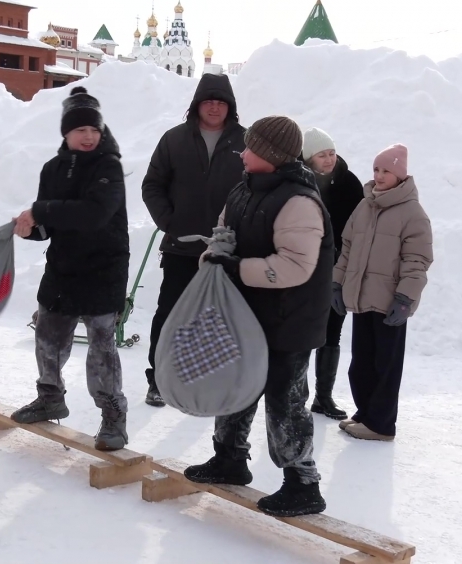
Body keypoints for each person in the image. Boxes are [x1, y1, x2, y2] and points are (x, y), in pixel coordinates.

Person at [183, 115, 333, 518]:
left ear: (269, 154)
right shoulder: (244, 189)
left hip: (289, 320)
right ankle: (230, 459)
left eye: (250, 147)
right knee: (236, 386)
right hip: (246, 312)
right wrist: (214, 256)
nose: (242, 152)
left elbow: (296, 267)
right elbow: (223, 234)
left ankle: (303, 483)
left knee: (285, 400)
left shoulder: (299, 201)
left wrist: (235, 269)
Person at [9, 86, 131, 452]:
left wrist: (42, 212)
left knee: (101, 348)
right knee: (47, 337)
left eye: (94, 129)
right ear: (66, 132)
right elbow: (52, 225)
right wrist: (32, 229)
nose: (89, 136)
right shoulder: (53, 169)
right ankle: (50, 397)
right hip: (63, 269)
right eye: (81, 130)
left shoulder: (109, 166)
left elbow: (94, 214)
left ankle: (113, 418)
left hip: (103, 270)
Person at [141, 73, 246, 406]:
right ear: (197, 105)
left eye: (221, 102)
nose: (214, 108)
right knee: (170, 312)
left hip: (226, 249)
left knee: (220, 316)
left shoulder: (246, 142)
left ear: (230, 107)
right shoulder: (174, 139)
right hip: (181, 246)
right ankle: (158, 378)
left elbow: (257, 188)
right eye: (208, 101)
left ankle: (209, 379)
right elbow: (152, 185)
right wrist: (170, 221)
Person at [332, 144, 433, 442]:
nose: (378, 175)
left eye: (386, 170)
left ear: (400, 175)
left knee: (385, 365)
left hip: (390, 301)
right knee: (361, 362)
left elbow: (417, 260)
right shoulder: (366, 206)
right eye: (376, 169)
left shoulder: (412, 213)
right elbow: (347, 248)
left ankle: (382, 424)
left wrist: (405, 299)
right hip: (363, 298)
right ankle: (366, 413)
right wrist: (337, 284)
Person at [301, 128, 364, 420]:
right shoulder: (299, 181)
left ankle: (323, 397)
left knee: (332, 332)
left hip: (337, 268)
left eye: (331, 153)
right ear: (308, 158)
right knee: (300, 333)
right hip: (304, 269)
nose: (328, 159)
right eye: (321, 155)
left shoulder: (349, 183)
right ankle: (293, 394)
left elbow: (360, 228)